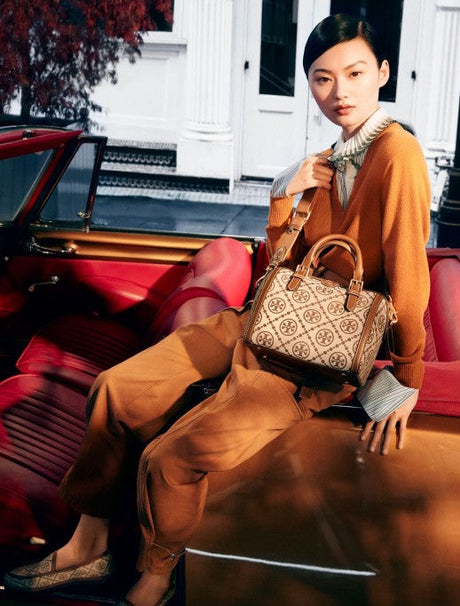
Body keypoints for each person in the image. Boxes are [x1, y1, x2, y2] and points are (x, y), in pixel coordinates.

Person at [4, 14, 430, 606]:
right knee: (114, 391)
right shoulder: (330, 157)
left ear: (383, 72)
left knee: (170, 458)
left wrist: (406, 376)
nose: (340, 92)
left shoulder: (398, 153)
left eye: (355, 74)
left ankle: (156, 577)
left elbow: (410, 267)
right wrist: (283, 194)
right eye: (322, 78)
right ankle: (88, 546)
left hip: (318, 357)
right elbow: (284, 261)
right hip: (265, 321)